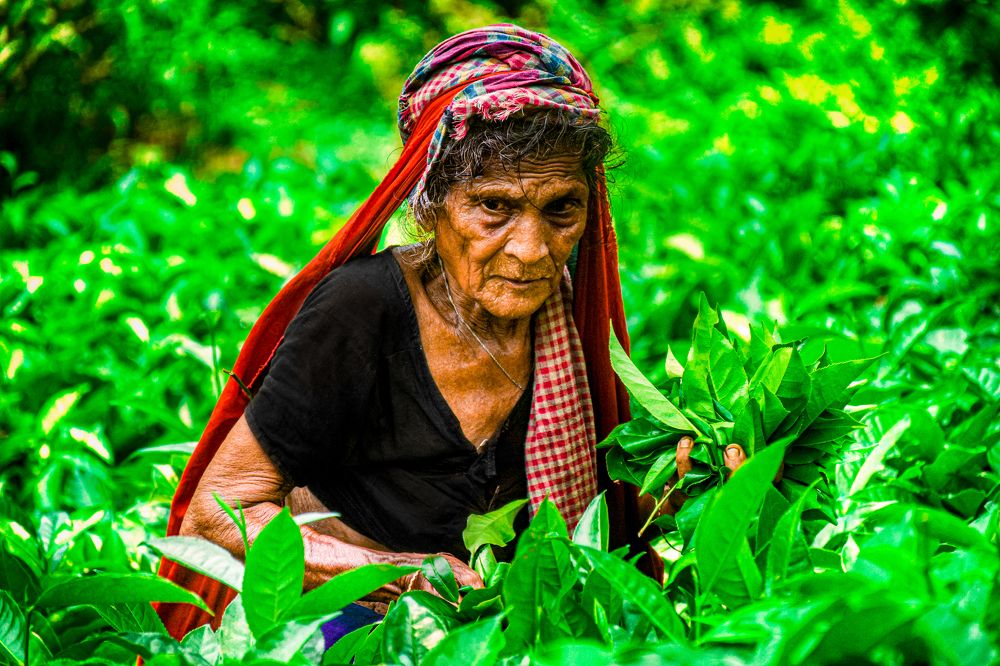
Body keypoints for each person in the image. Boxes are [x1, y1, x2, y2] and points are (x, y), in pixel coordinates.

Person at [155, 24, 750, 644]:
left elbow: (595, 517)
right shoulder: (362, 309)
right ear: (429, 204)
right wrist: (399, 576)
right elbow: (217, 514)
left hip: (510, 630)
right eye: (493, 206)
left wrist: (689, 493)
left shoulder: (573, 329)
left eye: (560, 211)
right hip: (350, 625)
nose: (531, 249)